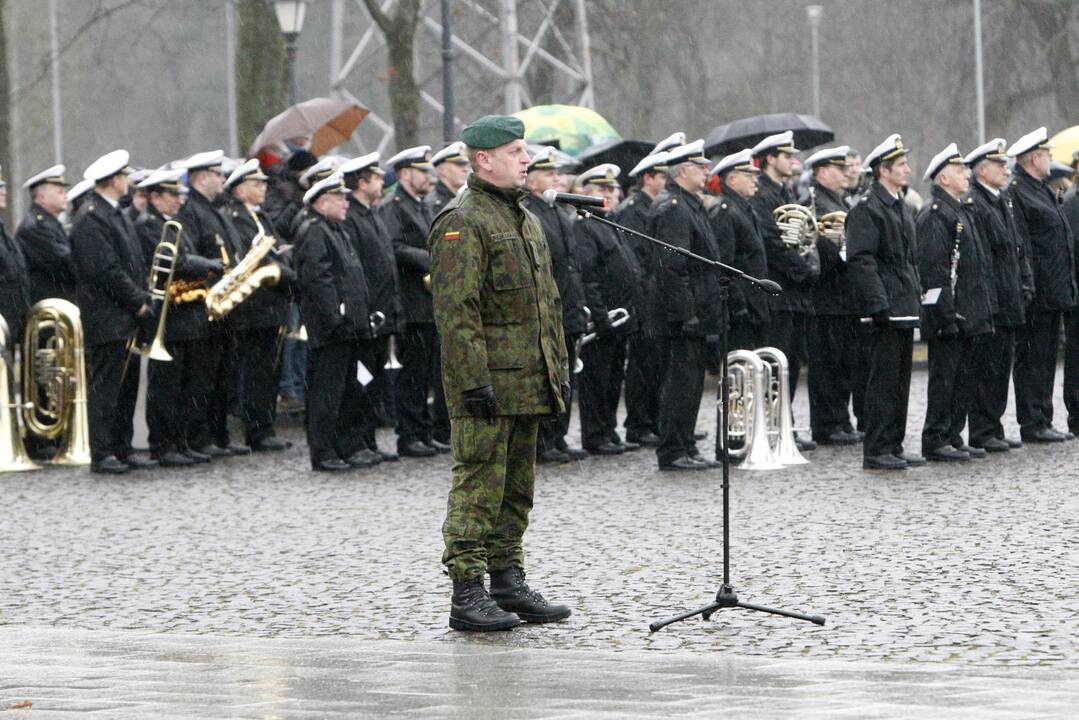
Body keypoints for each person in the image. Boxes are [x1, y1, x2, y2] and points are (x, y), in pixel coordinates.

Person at [430, 114, 571, 631]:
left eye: (524, 149)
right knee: (478, 486)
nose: (526, 158)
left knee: (516, 488)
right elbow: (455, 311)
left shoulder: (524, 218)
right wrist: (473, 381)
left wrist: (555, 370)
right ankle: (467, 592)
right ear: (483, 159)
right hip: (487, 383)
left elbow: (545, 305)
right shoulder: (462, 220)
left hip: (528, 378)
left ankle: (507, 582)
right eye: (515, 151)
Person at [68, 149, 154, 474]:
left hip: (124, 316)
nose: (129, 182)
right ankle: (102, 452)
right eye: (126, 177)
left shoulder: (113, 213)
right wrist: (138, 300)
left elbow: (132, 262)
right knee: (106, 387)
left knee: (126, 385)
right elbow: (106, 271)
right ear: (115, 180)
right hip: (108, 316)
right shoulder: (91, 218)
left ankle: (122, 446)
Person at [845, 134, 924, 470]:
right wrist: (878, 305)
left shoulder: (900, 206)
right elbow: (862, 260)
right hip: (885, 309)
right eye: (901, 165)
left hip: (902, 304)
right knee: (882, 382)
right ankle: (877, 448)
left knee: (901, 382)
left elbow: (908, 259)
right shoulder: (868, 208)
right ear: (883, 170)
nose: (907, 169)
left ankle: (893, 443)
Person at [135, 167, 221, 466]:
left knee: (189, 384)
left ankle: (182, 441)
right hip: (169, 317)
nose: (178, 201)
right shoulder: (148, 226)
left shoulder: (173, 224)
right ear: (155, 197)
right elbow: (178, 263)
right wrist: (209, 264)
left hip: (187, 314)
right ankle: (162, 443)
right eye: (172, 195)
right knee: (166, 387)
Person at [647, 139, 723, 471]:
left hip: (695, 310)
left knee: (690, 385)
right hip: (680, 317)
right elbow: (672, 266)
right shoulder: (675, 207)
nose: (706, 171)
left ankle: (686, 443)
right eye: (700, 166)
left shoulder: (689, 204)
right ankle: (673, 450)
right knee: (680, 385)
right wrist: (687, 313)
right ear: (683, 171)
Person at [916, 144, 994, 462]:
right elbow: (935, 270)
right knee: (944, 378)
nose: (967, 174)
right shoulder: (936, 213)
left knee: (961, 378)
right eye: (961, 170)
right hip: (948, 313)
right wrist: (945, 313)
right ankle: (935, 437)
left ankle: (952, 433)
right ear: (944, 177)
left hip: (965, 311)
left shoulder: (958, 209)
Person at [294, 173, 373, 471]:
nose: (346, 203)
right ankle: (324, 450)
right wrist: (335, 317)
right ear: (321, 201)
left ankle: (346, 444)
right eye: (339, 198)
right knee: (326, 392)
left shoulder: (336, 229)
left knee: (349, 389)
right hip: (331, 329)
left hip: (349, 326)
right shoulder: (315, 231)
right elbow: (319, 280)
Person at [749, 131, 820, 451]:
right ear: (769, 159)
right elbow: (772, 243)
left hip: (794, 294)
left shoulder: (785, 192)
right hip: (778, 291)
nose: (794, 160)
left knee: (788, 364)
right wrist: (802, 270)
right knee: (775, 366)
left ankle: (784, 424)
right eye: (786, 155)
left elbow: (801, 235)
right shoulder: (763, 195)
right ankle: (774, 428)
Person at [177, 149, 250, 458]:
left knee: (224, 375)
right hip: (206, 301)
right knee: (203, 377)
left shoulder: (214, 208)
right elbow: (192, 255)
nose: (222, 180)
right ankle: (200, 435)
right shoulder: (191, 210)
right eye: (217, 175)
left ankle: (220, 434)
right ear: (201, 178)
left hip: (225, 303)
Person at [1008, 127, 1078, 442]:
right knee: (1032, 358)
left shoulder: (1041, 188)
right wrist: (1029, 285)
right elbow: (1022, 244)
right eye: (1047, 153)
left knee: (1046, 358)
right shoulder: (1019, 191)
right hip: (1038, 292)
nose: (1051, 158)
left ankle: (1043, 417)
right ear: (1034, 158)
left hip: (1054, 289)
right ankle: (1032, 420)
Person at [221, 158, 296, 452]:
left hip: (272, 304)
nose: (263, 188)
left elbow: (273, 249)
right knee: (255, 372)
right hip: (254, 306)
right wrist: (287, 274)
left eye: (264, 183)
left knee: (269, 371)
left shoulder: (260, 216)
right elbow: (252, 258)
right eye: (256, 184)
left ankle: (265, 426)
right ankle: (255, 428)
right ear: (239, 190)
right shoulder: (236, 218)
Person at [381, 145, 451, 457]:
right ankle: (408, 435)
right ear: (405, 173)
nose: (429, 177)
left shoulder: (422, 207)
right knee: (412, 374)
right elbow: (393, 247)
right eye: (423, 171)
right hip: (411, 302)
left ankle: (423, 430)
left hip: (429, 302)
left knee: (426, 373)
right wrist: (428, 258)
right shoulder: (395, 207)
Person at [522, 146, 588, 463]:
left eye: (557, 173)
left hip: (567, 306)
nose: (557, 179)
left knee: (565, 377)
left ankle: (558, 436)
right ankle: (542, 441)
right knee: (546, 379)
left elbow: (572, 264)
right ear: (532, 182)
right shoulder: (528, 213)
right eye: (549, 174)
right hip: (546, 309)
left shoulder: (558, 212)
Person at [965, 139, 1031, 451]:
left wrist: (1024, 282)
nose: (1007, 170)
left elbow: (1016, 247)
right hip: (992, 299)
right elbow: (984, 257)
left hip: (1009, 295)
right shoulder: (976, 203)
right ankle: (982, 429)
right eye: (1000, 165)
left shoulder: (1001, 200)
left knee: (1002, 366)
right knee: (986, 368)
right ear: (981, 169)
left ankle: (995, 425)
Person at [340, 151, 403, 464]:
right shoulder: (351, 217)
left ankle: (369, 440)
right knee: (360, 381)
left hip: (382, 314)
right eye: (377, 177)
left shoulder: (372, 214)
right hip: (366, 316)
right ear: (362, 182)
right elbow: (356, 271)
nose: (382, 182)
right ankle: (355, 442)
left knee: (373, 381)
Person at [574, 162, 642, 455]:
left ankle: (609, 429)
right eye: (604, 188)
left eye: (614, 188)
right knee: (596, 381)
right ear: (587, 194)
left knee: (614, 379)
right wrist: (600, 316)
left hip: (621, 316)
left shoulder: (609, 223)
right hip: (602, 319)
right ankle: (595, 434)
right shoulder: (585, 226)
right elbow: (589, 276)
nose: (612, 193)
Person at [801, 146, 863, 445]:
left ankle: (840, 418)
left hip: (845, 296)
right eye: (839, 169)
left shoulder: (841, 201)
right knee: (826, 366)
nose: (847, 173)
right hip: (826, 297)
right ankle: (826, 423)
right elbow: (820, 248)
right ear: (822, 173)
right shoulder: (813, 204)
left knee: (845, 364)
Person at [614, 150, 670, 448]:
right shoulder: (633, 209)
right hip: (644, 298)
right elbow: (636, 259)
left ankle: (657, 419)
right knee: (643, 365)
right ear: (647, 178)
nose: (666, 180)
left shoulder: (655, 206)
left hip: (657, 296)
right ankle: (639, 423)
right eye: (662, 175)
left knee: (658, 363)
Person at [709, 149, 769, 352]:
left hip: (755, 303)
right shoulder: (726, 212)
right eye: (749, 175)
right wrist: (739, 305)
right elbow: (725, 264)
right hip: (741, 308)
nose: (755, 180)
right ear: (732, 180)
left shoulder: (745, 209)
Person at [16, 164, 76, 304]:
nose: (65, 196)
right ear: (41, 197)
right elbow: (64, 263)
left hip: (59, 301)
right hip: (49, 306)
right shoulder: (35, 227)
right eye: (59, 192)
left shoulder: (49, 223)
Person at [427, 141, 471, 215]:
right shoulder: (434, 204)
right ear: (441, 170)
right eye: (459, 164)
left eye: (466, 165)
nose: (465, 169)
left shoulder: (461, 199)